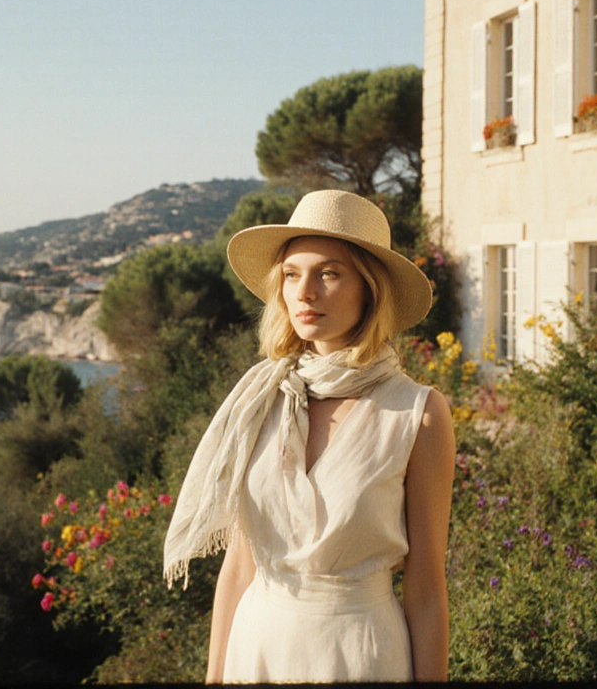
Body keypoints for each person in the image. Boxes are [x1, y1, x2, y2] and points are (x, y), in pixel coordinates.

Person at [163, 189, 455, 683]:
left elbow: (426, 590)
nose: (305, 293)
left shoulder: (417, 413)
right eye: (292, 274)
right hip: (255, 649)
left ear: (370, 289)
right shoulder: (261, 400)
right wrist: (213, 677)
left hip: (359, 655)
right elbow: (240, 565)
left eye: (329, 273)